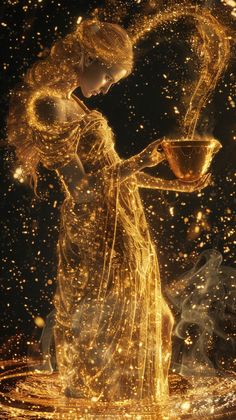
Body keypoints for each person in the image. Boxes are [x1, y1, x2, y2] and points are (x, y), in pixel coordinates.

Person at [7, 19, 211, 402]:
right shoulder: (48, 105)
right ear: (86, 57)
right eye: (108, 76)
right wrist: (139, 161)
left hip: (125, 225)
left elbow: (113, 173)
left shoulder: (75, 102)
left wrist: (176, 184)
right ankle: (97, 402)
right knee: (107, 327)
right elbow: (82, 191)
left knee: (155, 321)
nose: (108, 87)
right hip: (96, 231)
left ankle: (139, 401)